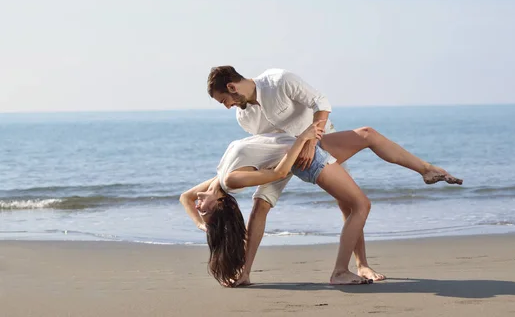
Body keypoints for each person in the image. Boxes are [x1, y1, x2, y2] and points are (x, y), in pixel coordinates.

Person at [203, 66, 462, 286]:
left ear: (232, 87)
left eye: (224, 100)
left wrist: (310, 141)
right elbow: (265, 147)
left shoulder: (278, 81)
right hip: (285, 157)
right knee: (260, 207)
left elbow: (321, 103)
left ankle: (361, 265)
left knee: (349, 203)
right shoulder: (244, 117)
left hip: (319, 141)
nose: (228, 107)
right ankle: (246, 272)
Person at [180, 124, 463, 287]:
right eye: (205, 206)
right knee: (359, 205)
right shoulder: (230, 180)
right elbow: (278, 173)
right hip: (305, 154)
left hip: (303, 145)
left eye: (201, 203)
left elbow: (184, 198)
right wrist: (304, 139)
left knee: (367, 134)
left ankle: (426, 168)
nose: (199, 200)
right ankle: (341, 271)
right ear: (221, 203)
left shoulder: (217, 178)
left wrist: (201, 223)